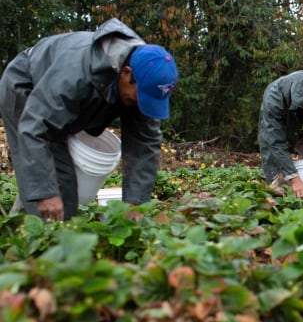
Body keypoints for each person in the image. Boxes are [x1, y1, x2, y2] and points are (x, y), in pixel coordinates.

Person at [0, 18, 178, 221]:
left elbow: (145, 144)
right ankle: (33, 234)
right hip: (26, 84)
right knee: (51, 191)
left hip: (61, 99)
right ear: (126, 74)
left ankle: (33, 212)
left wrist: (135, 203)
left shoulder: (146, 74)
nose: (142, 104)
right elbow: (36, 127)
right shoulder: (75, 74)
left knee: (61, 185)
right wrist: (45, 192)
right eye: (142, 96)